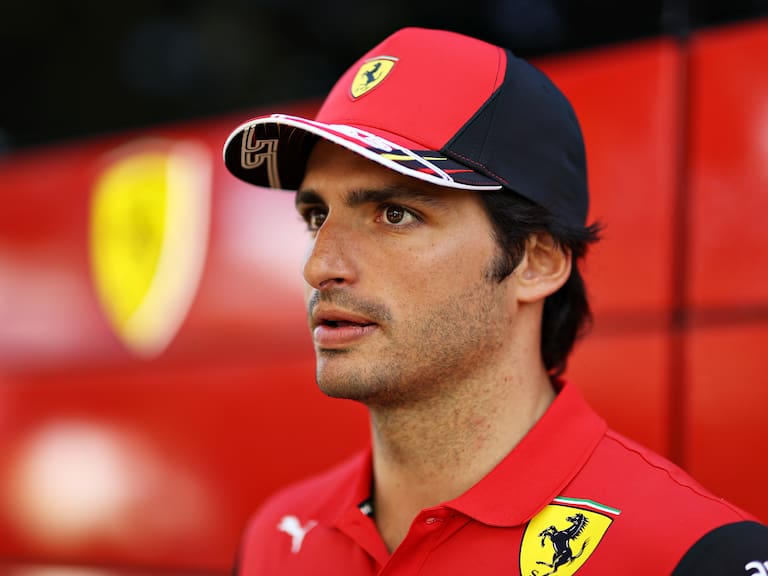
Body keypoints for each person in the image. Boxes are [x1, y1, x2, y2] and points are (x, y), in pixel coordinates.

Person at [223, 27, 767, 575]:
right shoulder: (278, 535)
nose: (319, 267)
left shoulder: (692, 555)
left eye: (395, 214)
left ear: (537, 261)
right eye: (317, 218)